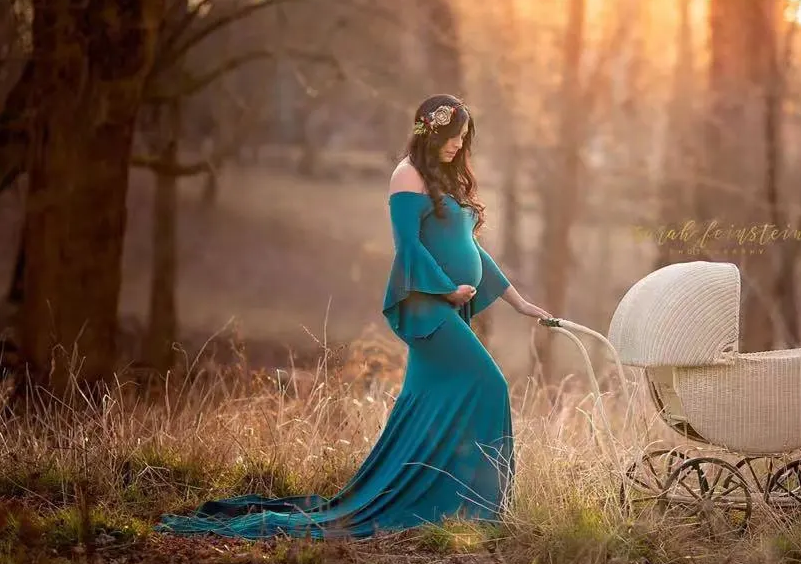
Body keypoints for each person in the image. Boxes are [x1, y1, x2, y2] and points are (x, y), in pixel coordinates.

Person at [155, 93, 553, 538]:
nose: (458, 146)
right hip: (428, 307)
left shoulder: (446, 179)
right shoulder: (407, 175)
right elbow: (408, 248)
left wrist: (518, 302)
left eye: (463, 140)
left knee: (425, 403)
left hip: (451, 307)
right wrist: (446, 288)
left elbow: (470, 246)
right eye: (452, 138)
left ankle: (451, 504)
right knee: (490, 384)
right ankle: (481, 509)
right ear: (430, 130)